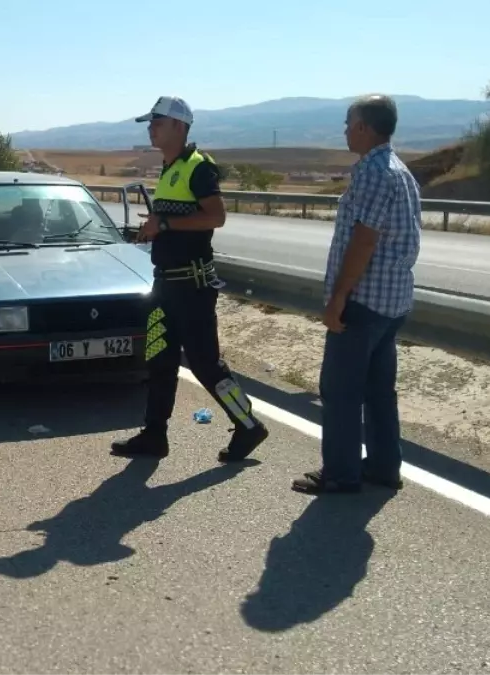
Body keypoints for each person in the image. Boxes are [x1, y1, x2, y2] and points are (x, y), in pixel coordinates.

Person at [111, 96, 268, 462]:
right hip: (164, 283)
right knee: (159, 360)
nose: (151, 128)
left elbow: (216, 217)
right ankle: (154, 435)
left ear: (180, 127)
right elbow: (178, 223)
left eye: (158, 122)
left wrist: (164, 223)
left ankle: (248, 424)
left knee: (205, 364)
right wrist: (154, 230)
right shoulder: (170, 168)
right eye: (150, 123)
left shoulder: (199, 167)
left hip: (192, 286)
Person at [292, 95, 422, 495]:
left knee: (341, 390)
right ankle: (383, 467)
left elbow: (364, 240)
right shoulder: (401, 171)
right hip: (392, 304)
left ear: (365, 127)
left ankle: (342, 474)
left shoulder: (373, 172)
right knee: (379, 391)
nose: (345, 130)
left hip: (363, 304)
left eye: (349, 123)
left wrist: (338, 298)